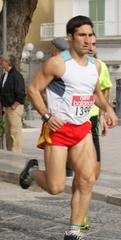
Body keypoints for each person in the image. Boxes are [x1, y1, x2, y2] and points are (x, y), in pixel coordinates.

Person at [19, 15, 118, 240]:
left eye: (90, 35)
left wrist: (108, 110)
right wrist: (46, 116)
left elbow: (94, 94)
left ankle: (73, 232)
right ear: (70, 37)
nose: (87, 40)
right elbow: (33, 89)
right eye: (82, 35)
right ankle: (31, 172)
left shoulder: (94, 65)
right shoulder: (58, 63)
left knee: (87, 179)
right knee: (56, 187)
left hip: (82, 129)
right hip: (59, 130)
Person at [79, 34, 112, 230]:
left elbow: (104, 91)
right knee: (83, 172)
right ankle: (80, 215)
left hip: (91, 120)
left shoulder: (100, 66)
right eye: (87, 44)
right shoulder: (73, 66)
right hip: (75, 120)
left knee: (94, 172)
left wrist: (102, 114)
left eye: (94, 45)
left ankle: (79, 206)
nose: (91, 47)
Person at [49, 38, 74, 178]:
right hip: (62, 114)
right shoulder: (72, 64)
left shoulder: (55, 64)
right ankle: (64, 170)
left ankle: (65, 170)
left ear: (54, 49)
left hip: (60, 114)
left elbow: (39, 90)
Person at [0, 51, 26, 152]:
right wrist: (1, 107)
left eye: (3, 60)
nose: (1, 62)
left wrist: (14, 106)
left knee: (15, 132)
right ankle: (10, 152)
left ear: (8, 62)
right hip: (7, 107)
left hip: (14, 107)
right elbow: (3, 92)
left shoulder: (16, 76)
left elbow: (21, 93)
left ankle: (16, 153)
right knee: (8, 133)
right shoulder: (5, 75)